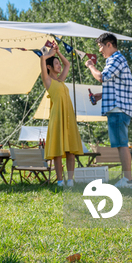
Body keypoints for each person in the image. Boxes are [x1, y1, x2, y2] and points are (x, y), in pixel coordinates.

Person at [85, 32, 132, 189]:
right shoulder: (116, 60)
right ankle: (127, 179)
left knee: (122, 144)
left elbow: (101, 77)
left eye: (100, 46)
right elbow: (115, 85)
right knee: (121, 144)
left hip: (118, 108)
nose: (100, 50)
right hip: (118, 107)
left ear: (109, 44)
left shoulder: (115, 59)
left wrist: (90, 66)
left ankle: (128, 180)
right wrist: (101, 95)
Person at [40, 43, 84, 187]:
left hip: (68, 119)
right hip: (57, 119)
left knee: (70, 150)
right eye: (56, 64)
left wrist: (58, 53)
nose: (59, 66)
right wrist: (48, 56)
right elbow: (42, 60)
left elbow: (68, 64)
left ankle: (70, 180)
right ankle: (60, 181)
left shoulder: (61, 80)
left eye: (59, 64)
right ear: (49, 67)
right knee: (58, 152)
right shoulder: (48, 81)